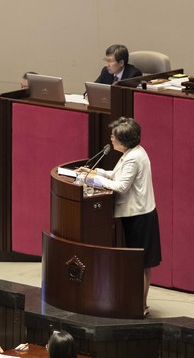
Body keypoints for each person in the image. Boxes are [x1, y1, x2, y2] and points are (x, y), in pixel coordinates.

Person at [83, 117, 161, 318]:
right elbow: (118, 175)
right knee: (138, 263)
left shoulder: (134, 157)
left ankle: (140, 306)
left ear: (124, 141)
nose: (111, 138)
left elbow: (121, 186)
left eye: (113, 136)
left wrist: (94, 179)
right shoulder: (132, 153)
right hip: (136, 214)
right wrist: (96, 172)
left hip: (140, 217)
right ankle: (137, 304)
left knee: (140, 264)